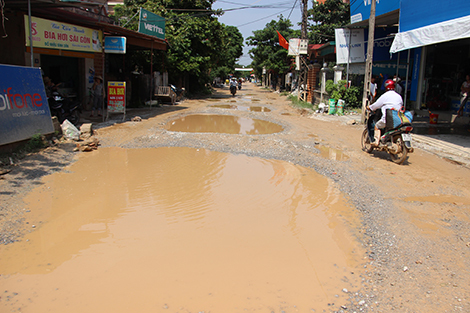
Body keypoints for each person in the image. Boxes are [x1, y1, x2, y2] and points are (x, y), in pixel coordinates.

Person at [368, 79, 403, 146]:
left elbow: (376, 105)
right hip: (398, 119)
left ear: (386, 87)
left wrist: (369, 107)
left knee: (377, 126)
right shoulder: (399, 96)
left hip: (388, 119)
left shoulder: (385, 96)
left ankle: (376, 141)